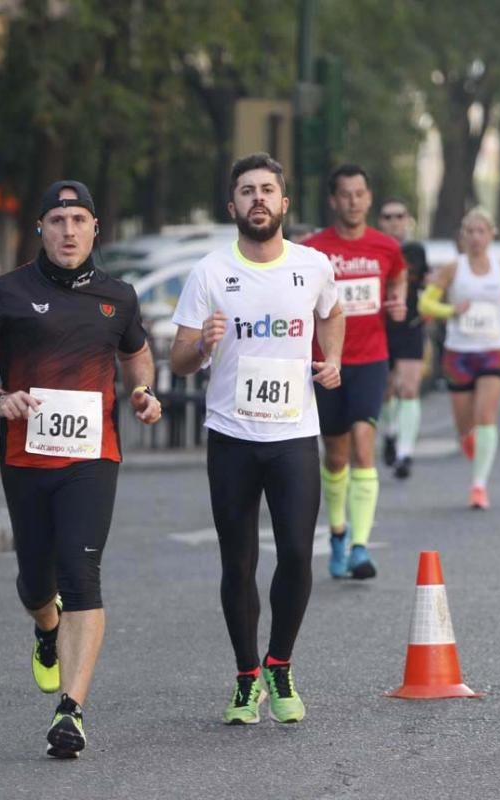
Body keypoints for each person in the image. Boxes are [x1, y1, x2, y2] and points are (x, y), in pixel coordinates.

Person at [0, 180, 161, 758]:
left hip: (94, 457)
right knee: (36, 584)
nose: (69, 231)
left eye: (79, 220)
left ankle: (71, 711)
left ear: (96, 229)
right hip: (25, 456)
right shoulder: (8, 291)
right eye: (58, 220)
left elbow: (136, 353)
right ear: (41, 227)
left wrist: (143, 391)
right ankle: (46, 629)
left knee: (82, 576)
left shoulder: (119, 296)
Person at [169, 154, 341, 726]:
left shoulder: (313, 265)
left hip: (294, 434)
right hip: (232, 437)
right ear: (233, 206)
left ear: (284, 204)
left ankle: (280, 663)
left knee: (295, 552)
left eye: (268, 189)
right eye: (247, 191)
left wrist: (333, 355)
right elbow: (180, 358)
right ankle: (246, 677)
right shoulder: (210, 273)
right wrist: (204, 343)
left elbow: (332, 311)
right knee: (237, 562)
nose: (258, 199)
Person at [303, 165, 406, 580]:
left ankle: (361, 546)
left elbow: (398, 279)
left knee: (364, 442)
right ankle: (339, 533)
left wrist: (398, 303)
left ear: (369, 198)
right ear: (334, 200)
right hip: (327, 360)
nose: (353, 201)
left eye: (360, 194)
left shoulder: (386, 247)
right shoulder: (311, 250)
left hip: (370, 358)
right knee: (336, 453)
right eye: (345, 194)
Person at [419, 208, 500, 509]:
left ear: (492, 234)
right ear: (463, 236)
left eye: (481, 231)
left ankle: (479, 486)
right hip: (459, 353)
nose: (476, 237)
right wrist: (451, 311)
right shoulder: (452, 268)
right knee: (465, 428)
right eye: (470, 232)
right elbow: (425, 303)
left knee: (486, 415)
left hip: (493, 349)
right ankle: (471, 445)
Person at [377, 198, 430, 479]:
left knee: (409, 389)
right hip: (380, 327)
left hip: (410, 326)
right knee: (386, 389)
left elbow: (427, 284)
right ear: (380, 221)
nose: (394, 221)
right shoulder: (372, 249)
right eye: (388, 216)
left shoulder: (415, 250)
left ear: (407, 219)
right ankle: (391, 432)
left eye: (399, 216)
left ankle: (405, 453)